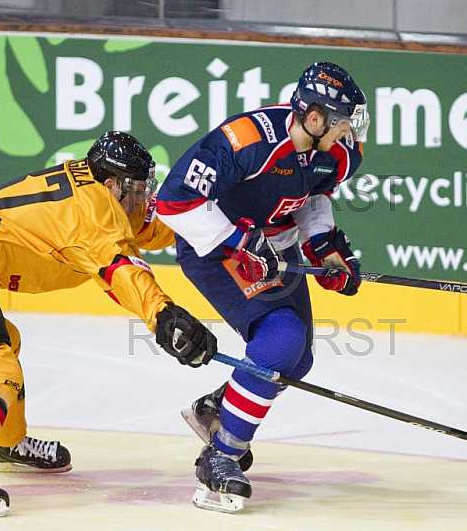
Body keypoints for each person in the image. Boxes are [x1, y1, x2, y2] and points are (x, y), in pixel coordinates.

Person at [0, 131, 217, 518]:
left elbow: (140, 228)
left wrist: (205, 226)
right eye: (138, 189)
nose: (144, 198)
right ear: (112, 183)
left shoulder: (96, 192)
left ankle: (6, 444)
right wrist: (164, 315)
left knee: (4, 342)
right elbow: (120, 267)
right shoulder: (94, 212)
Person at [155, 61, 369, 513]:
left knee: (297, 359)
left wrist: (324, 248)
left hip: (274, 247)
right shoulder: (246, 141)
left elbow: (312, 197)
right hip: (219, 248)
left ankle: (219, 408)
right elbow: (173, 202)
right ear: (314, 118)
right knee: (281, 339)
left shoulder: (336, 154)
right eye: (343, 121)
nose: (348, 131)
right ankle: (222, 455)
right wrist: (240, 239)